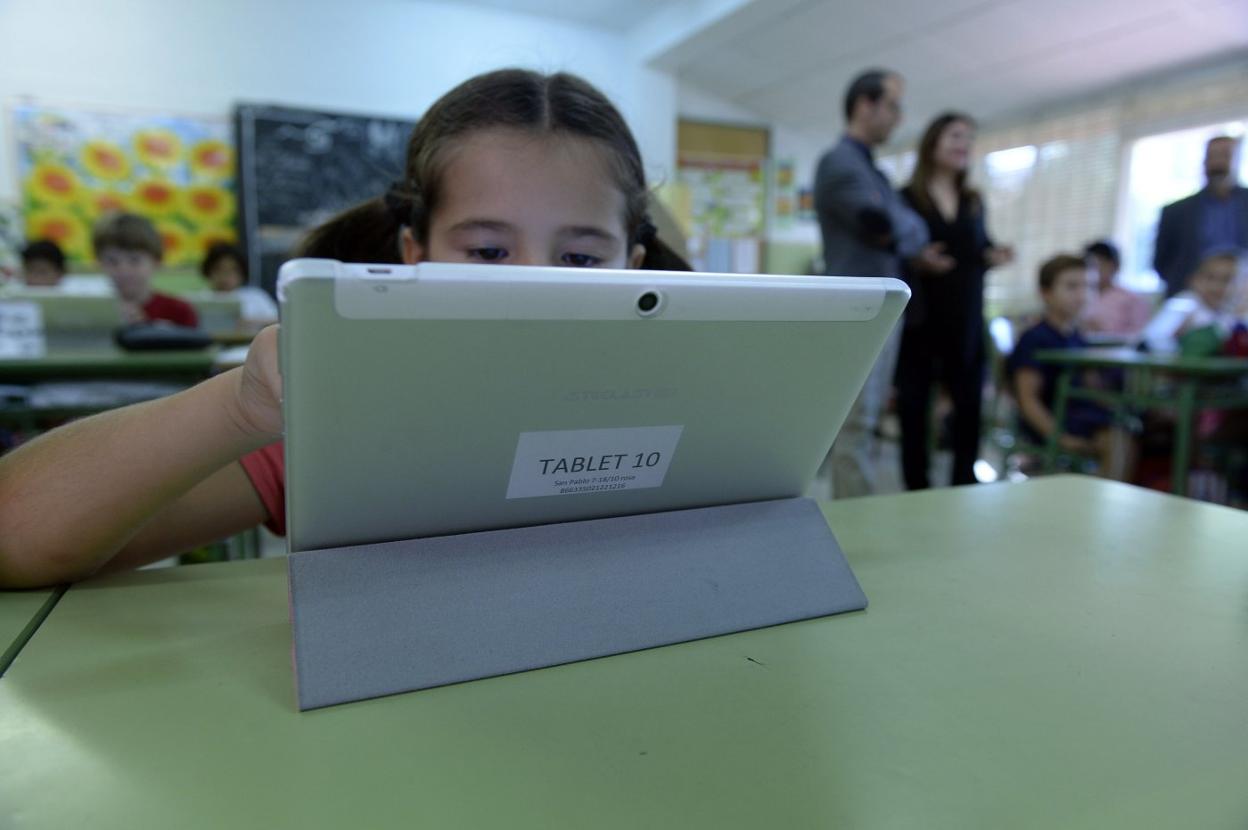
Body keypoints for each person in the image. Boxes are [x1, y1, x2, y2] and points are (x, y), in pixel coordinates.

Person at [0, 69, 688, 588]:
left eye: (578, 257)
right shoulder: (353, 420)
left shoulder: (696, 408)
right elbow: (18, 536)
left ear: (630, 266)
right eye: (486, 251)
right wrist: (241, 405)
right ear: (415, 253)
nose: (537, 288)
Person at [813, 68, 945, 498]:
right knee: (856, 425)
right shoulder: (839, 164)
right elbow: (883, 225)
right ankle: (852, 528)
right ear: (864, 105)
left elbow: (907, 227)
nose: (898, 117)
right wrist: (906, 234)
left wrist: (904, 232)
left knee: (864, 424)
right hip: (859, 310)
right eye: (893, 105)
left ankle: (854, 518)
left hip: (880, 308)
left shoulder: (876, 174)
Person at [895, 112, 1013, 490]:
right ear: (933, 142)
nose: (964, 144)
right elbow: (897, 253)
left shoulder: (973, 200)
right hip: (921, 316)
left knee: (969, 407)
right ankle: (916, 488)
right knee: (914, 407)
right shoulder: (906, 199)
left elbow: (980, 248)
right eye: (956, 135)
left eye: (969, 138)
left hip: (965, 316)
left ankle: (964, 483)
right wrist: (918, 260)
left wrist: (995, 255)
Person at [1008, 254, 1133, 481]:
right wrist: (1060, 437)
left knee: (1128, 427)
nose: (1082, 294)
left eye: (1089, 286)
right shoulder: (1035, 338)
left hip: (1081, 415)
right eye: (1072, 286)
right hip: (1051, 420)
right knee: (1116, 439)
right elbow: (1028, 400)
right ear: (1045, 292)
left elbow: (1090, 387)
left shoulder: (1077, 337)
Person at [1153, 136, 1247, 297]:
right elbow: (1162, 263)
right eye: (1212, 156)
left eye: (1225, 155)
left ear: (1237, 160)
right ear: (1204, 161)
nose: (1218, 163)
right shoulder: (1175, 212)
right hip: (1190, 299)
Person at [93, 212, 198, 327]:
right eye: (112, 261)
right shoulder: (90, 311)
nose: (124, 270)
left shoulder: (180, 311)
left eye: (134, 260)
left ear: (156, 262)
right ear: (99, 263)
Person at [1141, 249, 1244, 355]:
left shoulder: (1230, 311)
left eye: (1226, 280)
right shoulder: (1183, 304)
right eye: (1210, 278)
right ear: (1194, 279)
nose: (1217, 286)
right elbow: (1153, 338)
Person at [1082, 240, 1152, 338]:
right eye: (1090, 266)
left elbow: (1140, 335)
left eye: (1100, 265)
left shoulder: (1132, 299)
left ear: (1115, 266)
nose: (1095, 271)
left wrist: (1104, 332)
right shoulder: (1080, 296)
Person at [199, 242, 278, 326]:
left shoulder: (256, 297)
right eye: (219, 269)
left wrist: (251, 322)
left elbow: (278, 321)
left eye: (232, 270)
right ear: (208, 271)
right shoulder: (201, 299)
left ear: (242, 273)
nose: (225, 275)